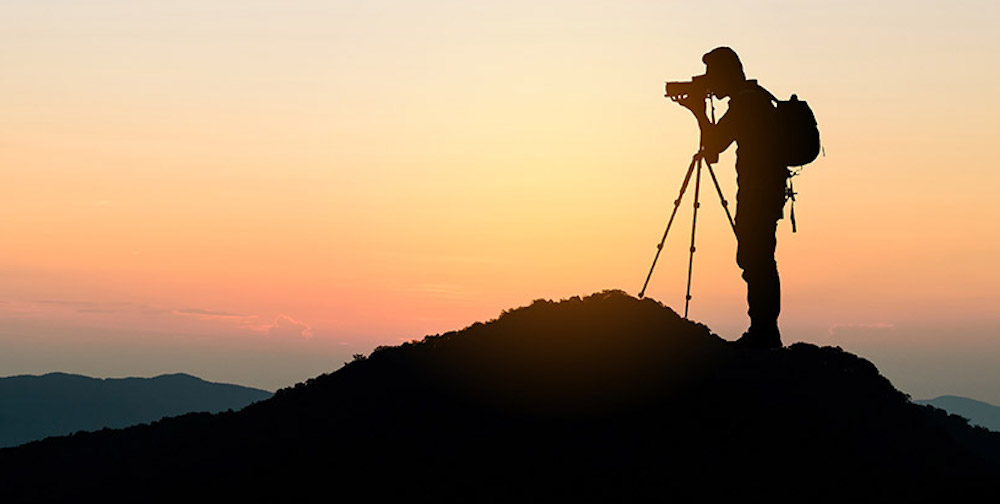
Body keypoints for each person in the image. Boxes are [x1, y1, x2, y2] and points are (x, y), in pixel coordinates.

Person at [674, 47, 787, 349]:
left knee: (755, 258)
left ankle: (764, 332)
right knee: (757, 257)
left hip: (758, 192)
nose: (710, 84)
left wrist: (698, 112)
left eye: (713, 77)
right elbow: (715, 151)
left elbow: (713, 147)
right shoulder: (755, 97)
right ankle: (764, 329)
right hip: (765, 190)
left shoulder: (746, 105)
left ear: (725, 75)